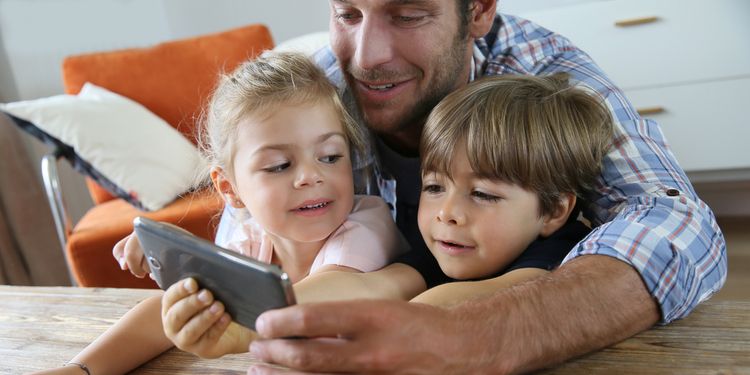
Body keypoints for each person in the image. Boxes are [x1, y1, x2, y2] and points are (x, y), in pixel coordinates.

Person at [242, 1, 727, 374]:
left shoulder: (546, 78)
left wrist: (476, 337)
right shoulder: (317, 88)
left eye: (408, 14)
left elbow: (679, 224)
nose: (366, 57)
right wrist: (246, 316)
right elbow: (358, 281)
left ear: (478, 10)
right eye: (347, 13)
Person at [34, 51, 407, 375]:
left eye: (330, 157)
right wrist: (81, 369)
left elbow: (340, 289)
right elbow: (164, 317)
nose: (311, 176)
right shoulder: (250, 239)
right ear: (230, 188)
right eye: (279, 165)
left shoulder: (365, 226)